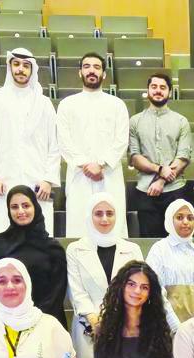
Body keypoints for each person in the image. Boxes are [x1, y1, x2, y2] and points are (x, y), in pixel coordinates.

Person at [66, 195, 145, 358]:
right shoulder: (75, 249)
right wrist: (96, 322)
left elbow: (140, 287)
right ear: (89, 216)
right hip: (89, 328)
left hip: (126, 325)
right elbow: (77, 292)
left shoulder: (132, 249)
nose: (104, 219)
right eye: (98, 213)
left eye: (110, 213)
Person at [0, 47, 60, 235]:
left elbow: (55, 145)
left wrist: (48, 179)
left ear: (32, 69)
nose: (21, 69)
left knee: (40, 236)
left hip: (38, 182)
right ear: (10, 67)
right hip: (6, 180)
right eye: (16, 64)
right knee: (6, 233)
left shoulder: (44, 103)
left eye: (25, 65)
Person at [56, 53, 129, 239]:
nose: (91, 71)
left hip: (109, 175)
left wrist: (101, 164)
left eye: (97, 67)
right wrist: (85, 164)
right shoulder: (67, 105)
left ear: (104, 74)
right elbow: (64, 140)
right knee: (79, 229)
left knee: (113, 229)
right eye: (86, 66)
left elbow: (121, 140)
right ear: (80, 72)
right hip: (79, 176)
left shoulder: (117, 105)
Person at [0, 185, 68, 325]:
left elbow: (56, 293)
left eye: (26, 205)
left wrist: (33, 322)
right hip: (5, 323)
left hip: (45, 323)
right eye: (14, 207)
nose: (20, 211)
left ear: (35, 207)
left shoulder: (52, 248)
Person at [127, 72, 194, 239]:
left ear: (169, 92)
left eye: (163, 87)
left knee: (177, 240)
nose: (158, 90)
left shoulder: (181, 121)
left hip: (175, 189)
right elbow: (135, 157)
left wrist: (162, 180)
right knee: (150, 242)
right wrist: (159, 169)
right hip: (145, 190)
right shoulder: (135, 121)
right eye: (154, 87)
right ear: (148, 91)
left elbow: (183, 157)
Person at [144, 198, 194, 324]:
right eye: (180, 217)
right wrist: (175, 325)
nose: (186, 222)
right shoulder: (159, 250)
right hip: (167, 325)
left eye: (190, 218)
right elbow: (155, 290)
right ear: (170, 220)